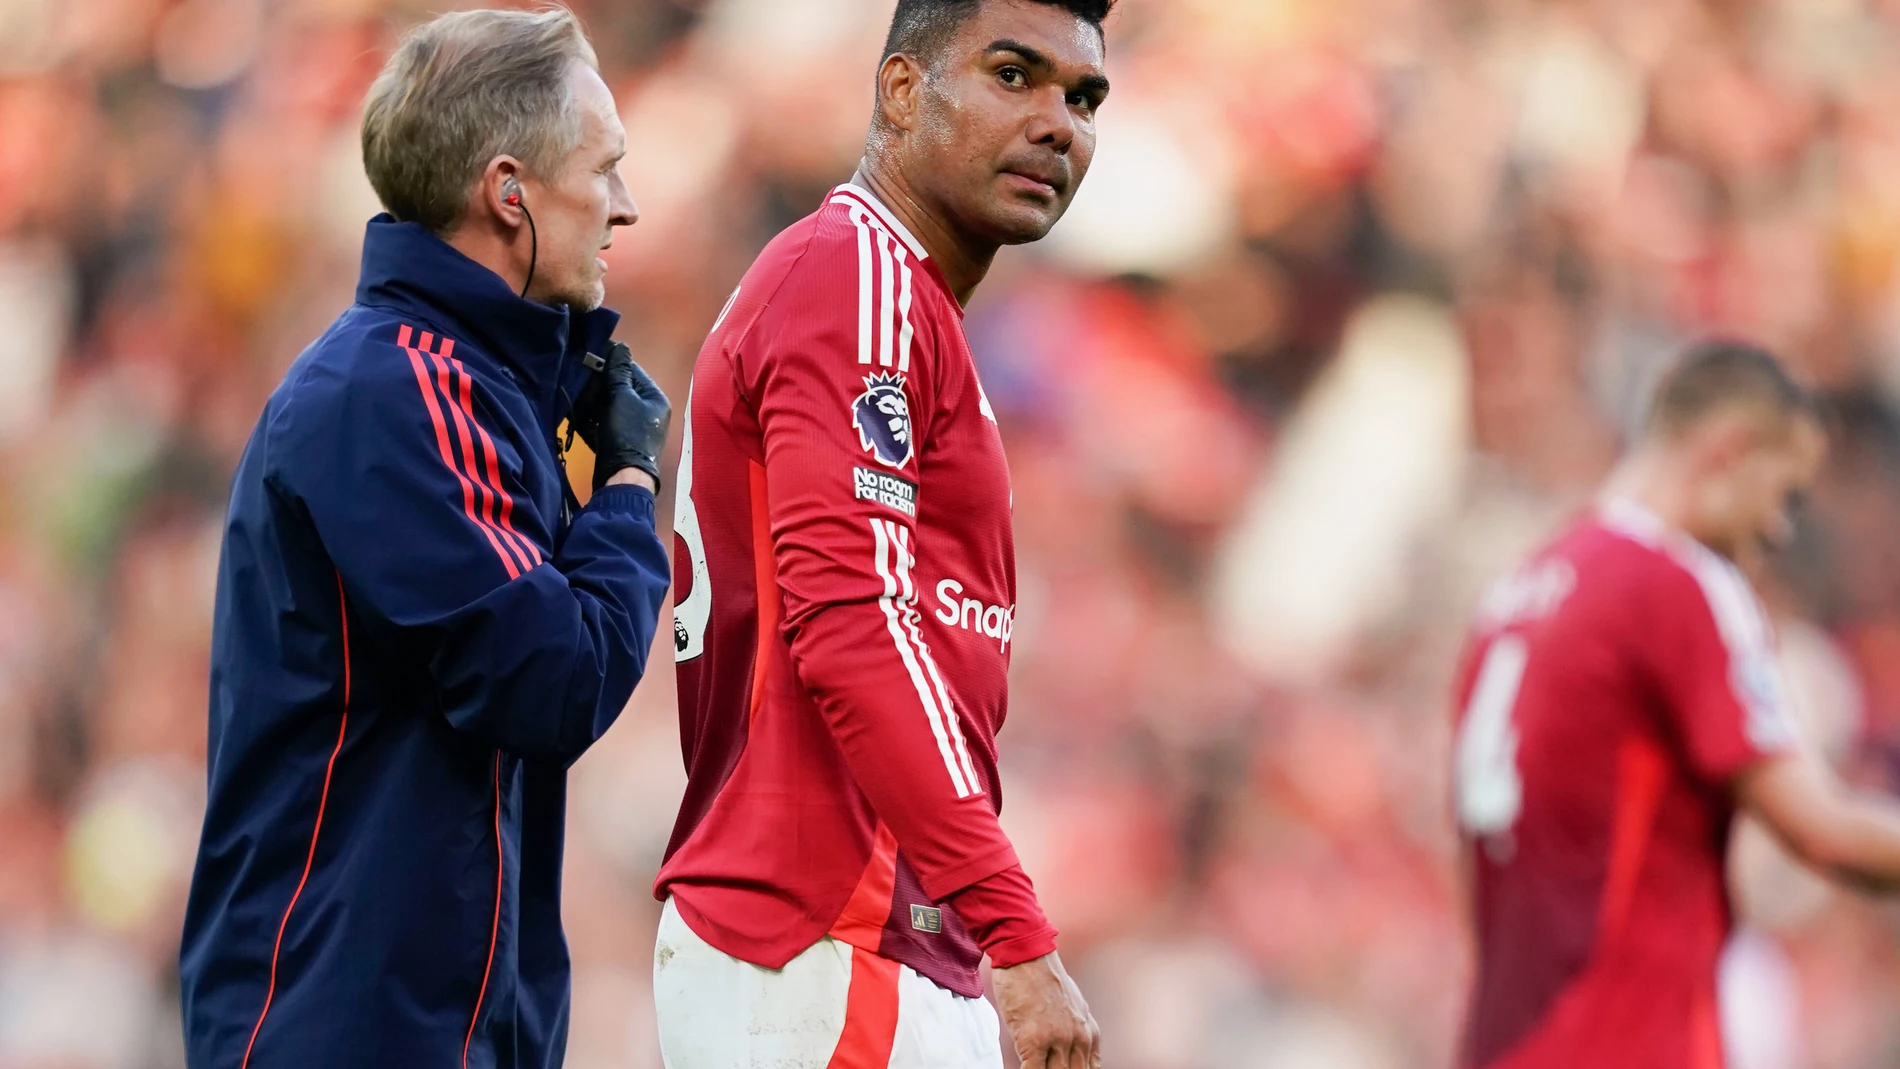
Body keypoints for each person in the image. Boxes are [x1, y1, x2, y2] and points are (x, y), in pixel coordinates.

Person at [177, 9, 672, 1068]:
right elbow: (552, 681)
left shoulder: (465, 386)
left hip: (418, 1020)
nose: (626, 204)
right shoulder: (400, 386)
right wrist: (629, 486)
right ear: (508, 192)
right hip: (348, 1025)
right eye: (604, 168)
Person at [651, 0, 1111, 1066]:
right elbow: (855, 621)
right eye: (1014, 75)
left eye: (1084, 98)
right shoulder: (854, 275)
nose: (1058, 122)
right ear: (902, 90)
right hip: (823, 933)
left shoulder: (901, 302)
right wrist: (1014, 931)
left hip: (866, 939)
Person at [1450, 341, 1900, 1069]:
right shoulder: (1676, 585)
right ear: (1730, 450)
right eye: (1784, 493)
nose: (1778, 529)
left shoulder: (1516, 593)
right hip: (1627, 1044)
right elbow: (1822, 831)